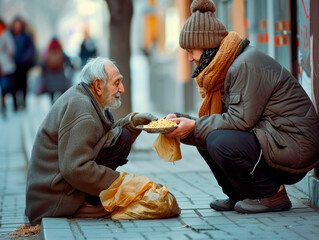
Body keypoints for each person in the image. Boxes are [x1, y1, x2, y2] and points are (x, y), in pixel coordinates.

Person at [165, 0, 319, 214]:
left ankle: (271, 195)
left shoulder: (244, 65)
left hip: (294, 146)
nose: (190, 58)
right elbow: (226, 121)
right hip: (276, 139)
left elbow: (239, 121)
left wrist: (194, 126)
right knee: (207, 135)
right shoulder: (227, 66)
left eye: (192, 51)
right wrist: (185, 123)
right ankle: (239, 194)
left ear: (208, 45)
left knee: (216, 138)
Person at [25, 57, 158, 225]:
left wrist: (133, 122)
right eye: (116, 83)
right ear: (98, 86)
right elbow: (75, 168)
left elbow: (108, 138)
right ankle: (83, 204)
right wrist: (121, 184)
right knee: (122, 139)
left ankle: (89, 198)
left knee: (122, 137)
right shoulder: (82, 111)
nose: (122, 89)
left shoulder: (86, 97)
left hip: (55, 191)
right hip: (53, 202)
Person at [10, 16, 35, 110]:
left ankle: (23, 102)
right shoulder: (10, 36)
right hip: (12, 65)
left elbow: (30, 49)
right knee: (13, 85)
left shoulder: (26, 36)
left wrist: (25, 58)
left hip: (24, 65)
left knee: (23, 84)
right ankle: (15, 104)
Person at [41, 37, 73, 103]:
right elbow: (69, 61)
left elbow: (43, 64)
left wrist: (44, 74)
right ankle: (60, 106)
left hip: (50, 76)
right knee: (61, 94)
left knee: (51, 94)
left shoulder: (48, 52)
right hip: (60, 76)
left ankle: (52, 105)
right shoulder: (60, 51)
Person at [0, 18, 16, 116]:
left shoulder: (6, 35)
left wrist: (6, 49)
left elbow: (12, 50)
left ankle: (5, 102)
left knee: (7, 87)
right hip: (3, 66)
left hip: (7, 66)